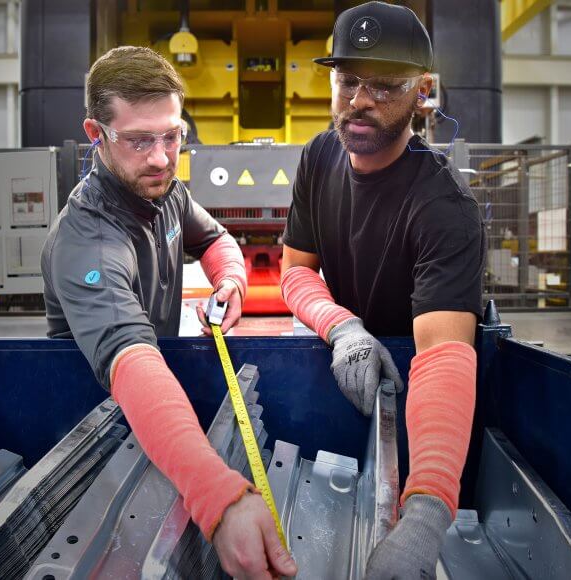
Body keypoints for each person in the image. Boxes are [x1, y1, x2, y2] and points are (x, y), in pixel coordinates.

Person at [41, 46, 296, 580]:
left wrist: (230, 281)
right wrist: (218, 495)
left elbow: (218, 238)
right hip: (98, 436)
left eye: (172, 136)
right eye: (139, 140)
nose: (161, 157)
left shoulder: (166, 193)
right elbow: (132, 362)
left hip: (159, 429)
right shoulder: (87, 239)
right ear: (96, 132)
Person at [280, 2, 485, 578]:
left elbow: (444, 356)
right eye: (347, 80)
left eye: (385, 84)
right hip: (356, 366)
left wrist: (425, 513)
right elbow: (295, 272)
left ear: (422, 92)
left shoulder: (444, 208)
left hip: (430, 393)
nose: (359, 99)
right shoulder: (319, 157)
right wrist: (341, 327)